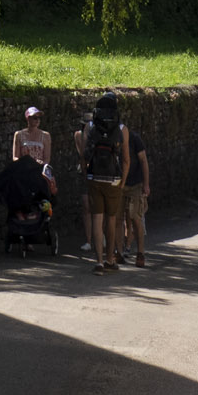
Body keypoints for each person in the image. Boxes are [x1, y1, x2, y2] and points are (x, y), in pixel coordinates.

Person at [75, 91, 134, 274]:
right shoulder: (122, 128)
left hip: (94, 178)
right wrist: (123, 181)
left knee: (96, 218)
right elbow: (125, 159)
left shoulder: (90, 126)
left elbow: (84, 156)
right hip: (113, 180)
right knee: (111, 219)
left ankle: (99, 261)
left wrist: (86, 175)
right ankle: (110, 259)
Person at [121, 134, 153, 268]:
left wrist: (146, 184)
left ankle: (140, 253)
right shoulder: (111, 137)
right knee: (117, 219)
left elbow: (144, 161)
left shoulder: (134, 139)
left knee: (135, 217)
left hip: (135, 185)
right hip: (119, 185)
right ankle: (119, 251)